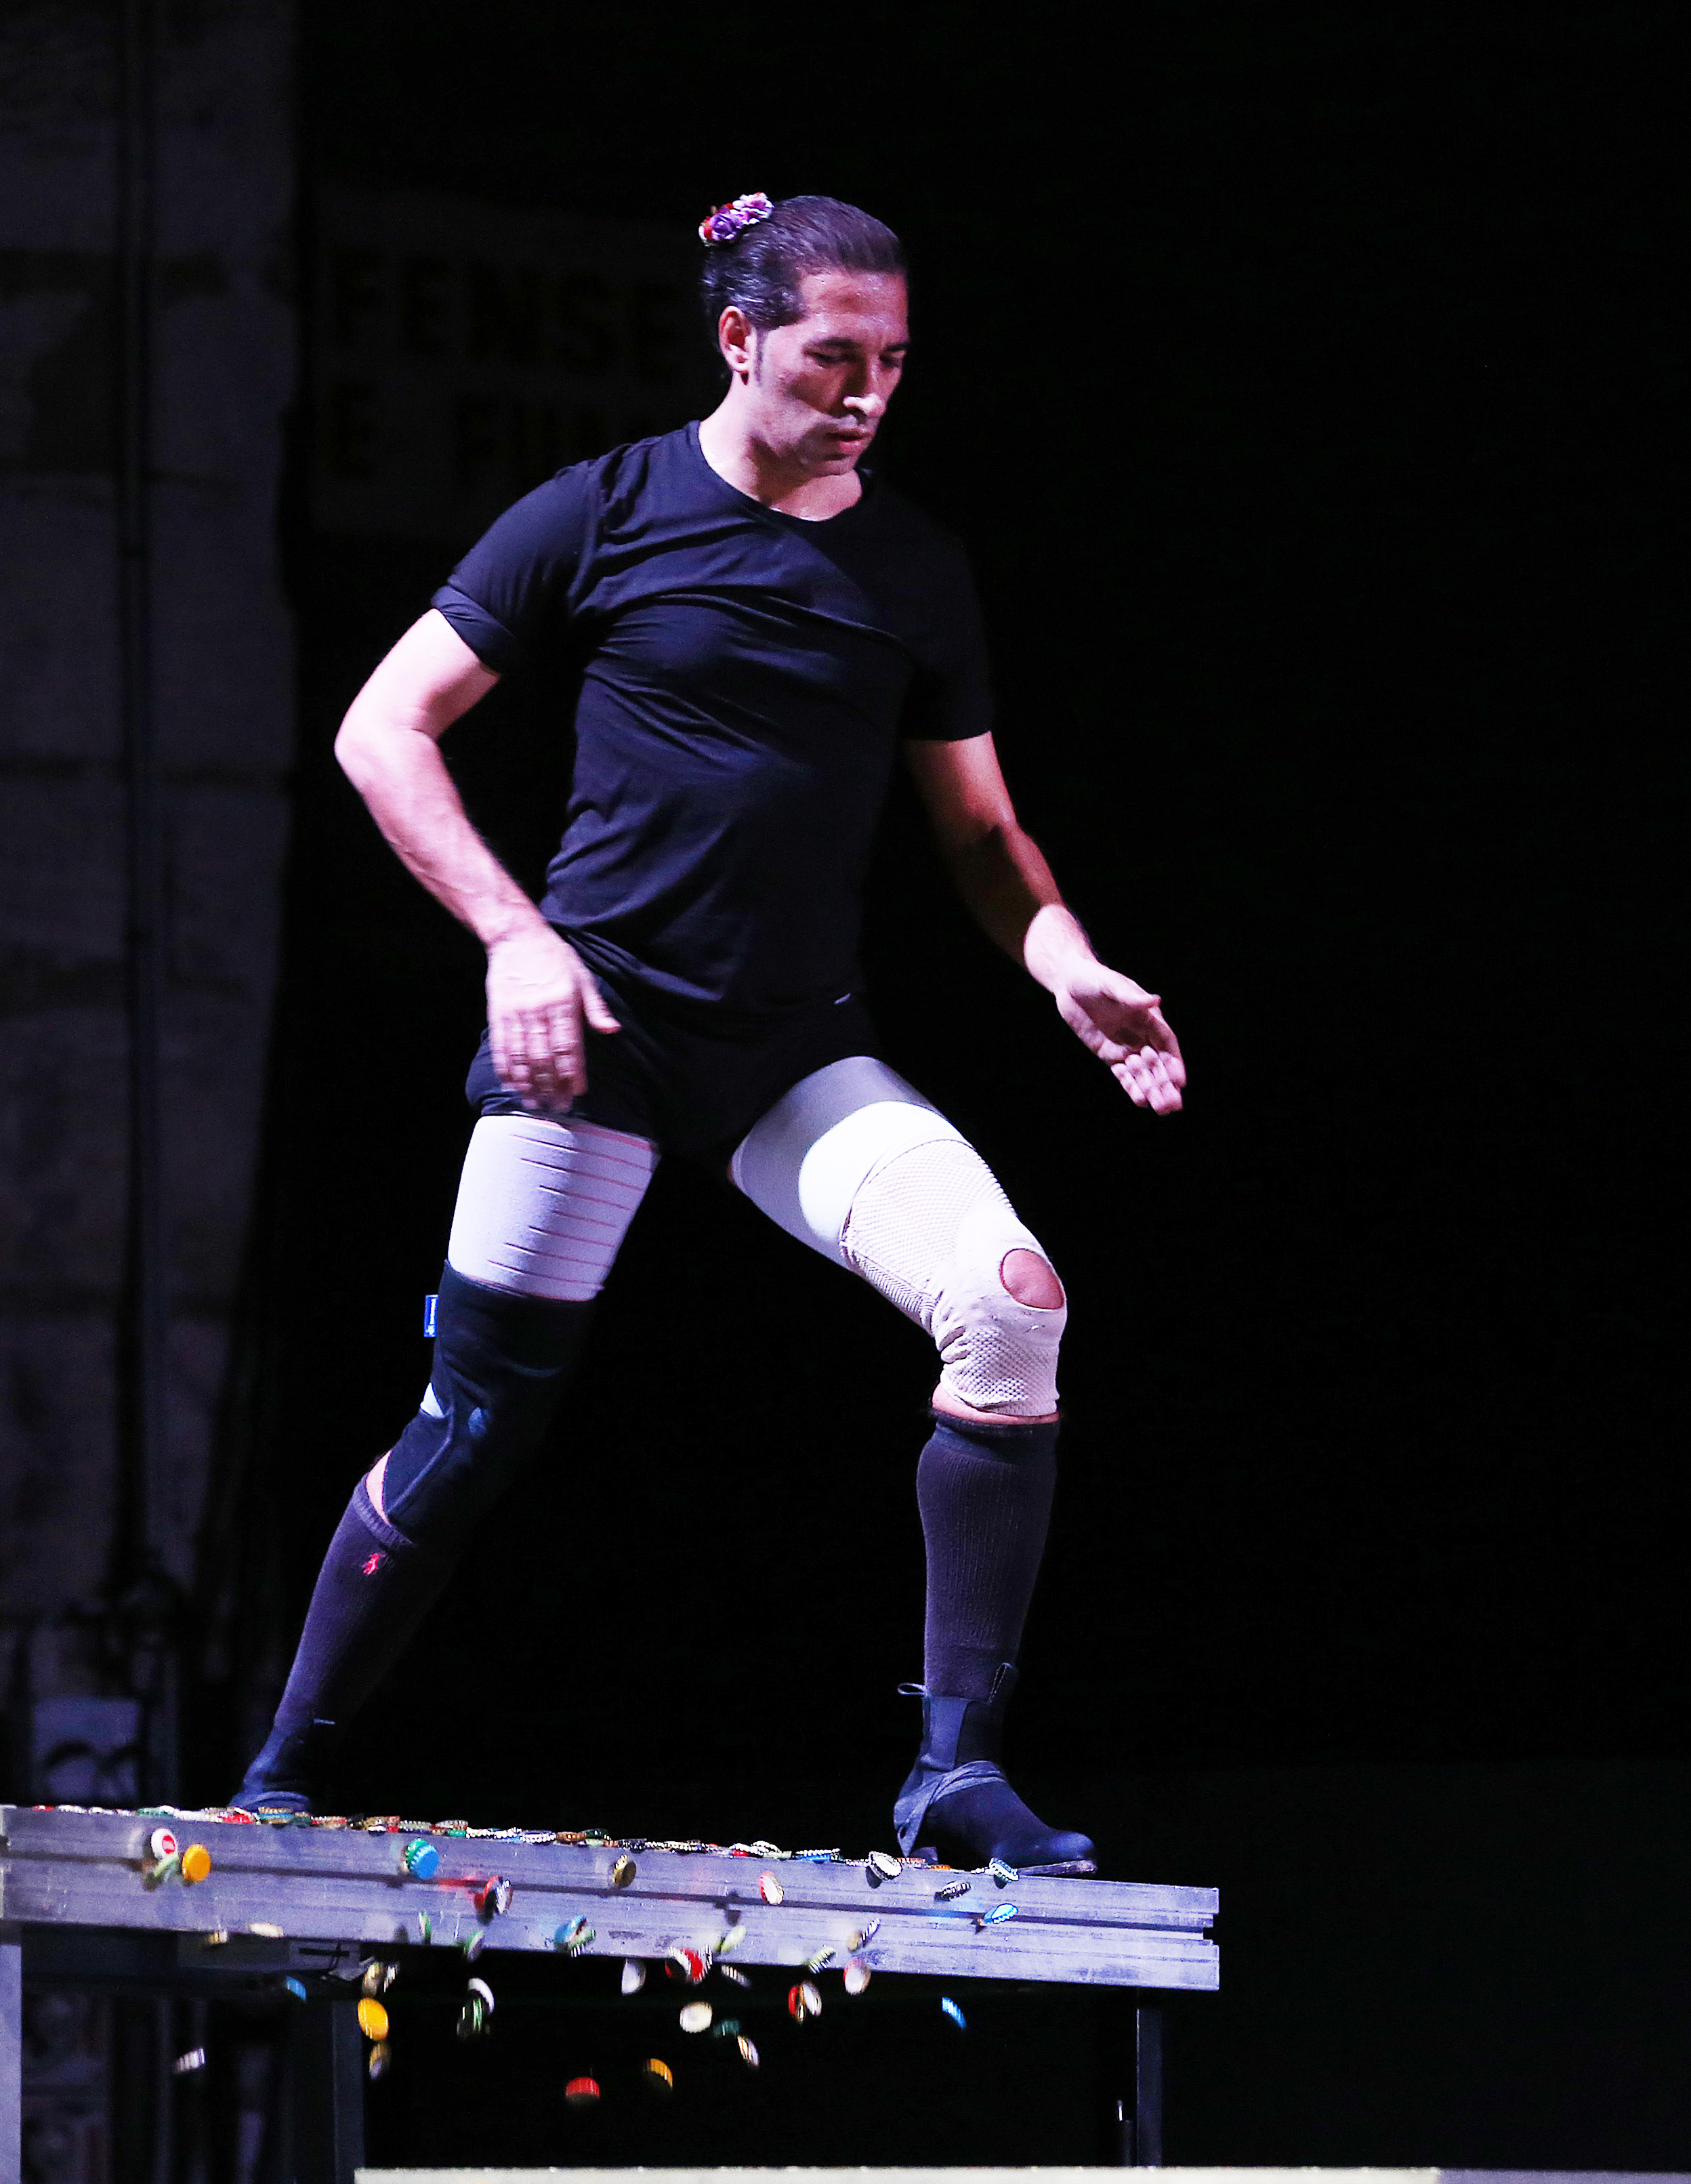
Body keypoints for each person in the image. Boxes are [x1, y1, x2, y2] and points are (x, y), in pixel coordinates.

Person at [231, 192, 1184, 1874]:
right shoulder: (599, 510)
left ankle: (953, 1772)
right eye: (833, 358)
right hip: (595, 1026)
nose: (867, 394)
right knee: (477, 1420)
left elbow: (979, 833)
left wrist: (1064, 958)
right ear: (738, 339)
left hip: (790, 1049)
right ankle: (283, 1769)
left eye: (894, 362)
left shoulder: (913, 567)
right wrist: (515, 939)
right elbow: (385, 730)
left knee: (1009, 1302)